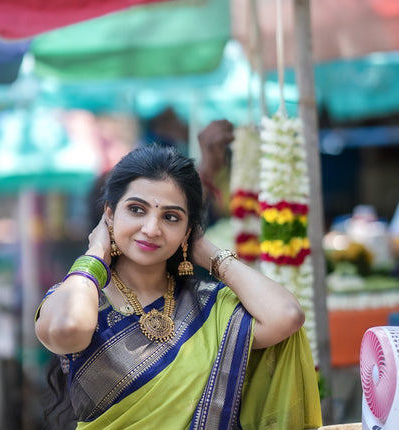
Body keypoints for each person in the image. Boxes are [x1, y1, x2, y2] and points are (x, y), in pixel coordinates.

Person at [35, 144, 322, 429]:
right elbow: (68, 328)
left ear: (188, 231)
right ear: (109, 214)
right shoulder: (78, 297)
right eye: (136, 209)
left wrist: (208, 253)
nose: (151, 229)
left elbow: (287, 315)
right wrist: (96, 253)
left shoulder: (208, 306)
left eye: (171, 217)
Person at [197, 119, 234, 226]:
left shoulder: (229, 171)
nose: (219, 153)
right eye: (213, 146)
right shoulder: (199, 176)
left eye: (222, 146)